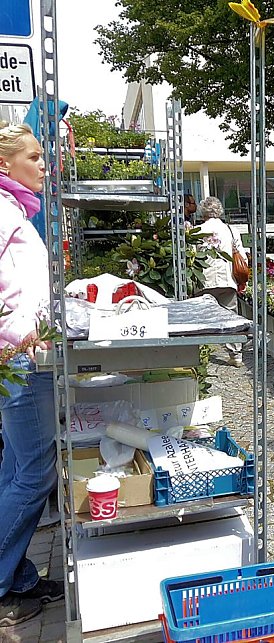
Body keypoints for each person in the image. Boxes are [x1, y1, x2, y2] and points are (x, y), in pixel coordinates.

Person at [0, 122, 64, 627]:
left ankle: (16, 571)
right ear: (6, 164)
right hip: (21, 360)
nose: (45, 165)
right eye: (36, 157)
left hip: (26, 355)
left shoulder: (17, 211)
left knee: (16, 471)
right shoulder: (3, 213)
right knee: (37, 473)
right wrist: (12, 342)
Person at [197, 196, 247, 367]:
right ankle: (236, 354)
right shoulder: (231, 230)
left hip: (204, 280)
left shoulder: (197, 231)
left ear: (203, 212)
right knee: (230, 316)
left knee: (202, 318)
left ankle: (200, 354)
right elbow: (242, 255)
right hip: (228, 279)